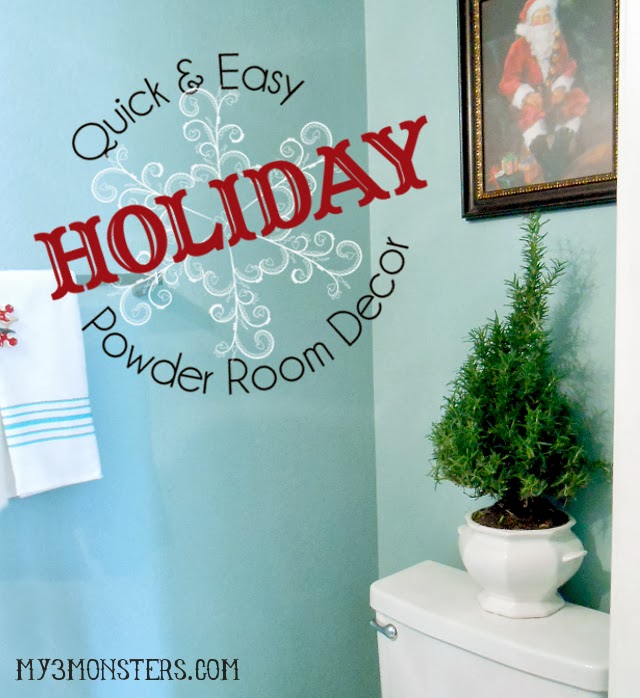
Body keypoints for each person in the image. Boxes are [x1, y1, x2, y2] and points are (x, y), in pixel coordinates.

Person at [499, 0, 589, 181]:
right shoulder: (518, 47)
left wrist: (561, 86)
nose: (542, 21)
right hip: (534, 99)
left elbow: (569, 65)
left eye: (546, 16)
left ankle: (559, 151)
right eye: (538, 17)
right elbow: (508, 81)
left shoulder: (558, 41)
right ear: (530, 22)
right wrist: (527, 95)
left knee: (575, 99)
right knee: (529, 113)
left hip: (556, 96)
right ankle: (548, 160)